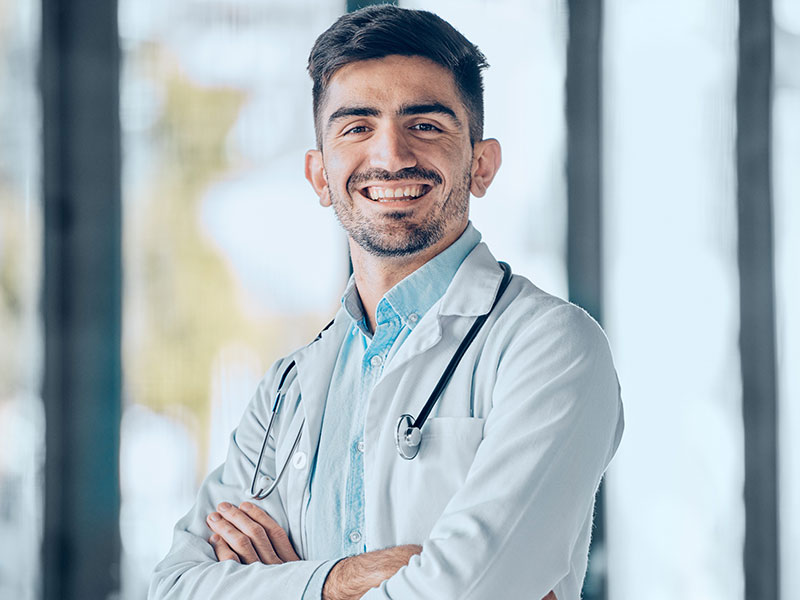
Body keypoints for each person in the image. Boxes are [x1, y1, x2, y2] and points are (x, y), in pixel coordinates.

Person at [149, 5, 623, 600]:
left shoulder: (550, 348)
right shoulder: (288, 389)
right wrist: (336, 581)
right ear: (319, 176)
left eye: (425, 125)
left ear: (481, 164)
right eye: (356, 127)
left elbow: (456, 593)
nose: (391, 155)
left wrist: (279, 583)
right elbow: (175, 588)